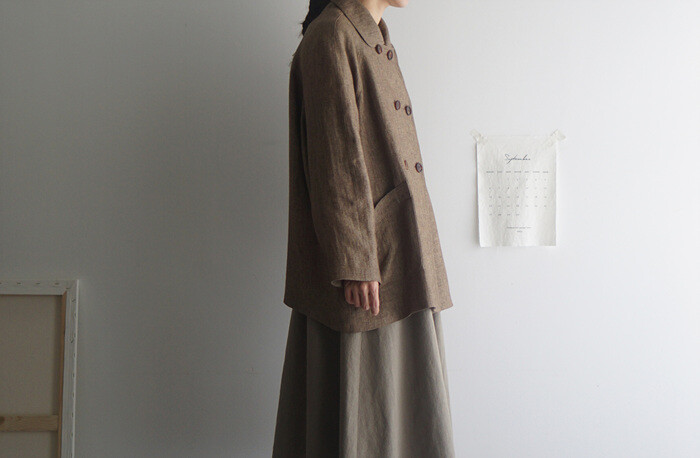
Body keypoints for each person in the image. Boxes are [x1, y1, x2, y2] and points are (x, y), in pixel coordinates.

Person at [273, 0, 456, 456]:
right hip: (367, 272)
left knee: (402, 401)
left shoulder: (372, 35)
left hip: (396, 255)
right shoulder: (332, 35)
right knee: (366, 406)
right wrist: (354, 262)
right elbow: (334, 157)